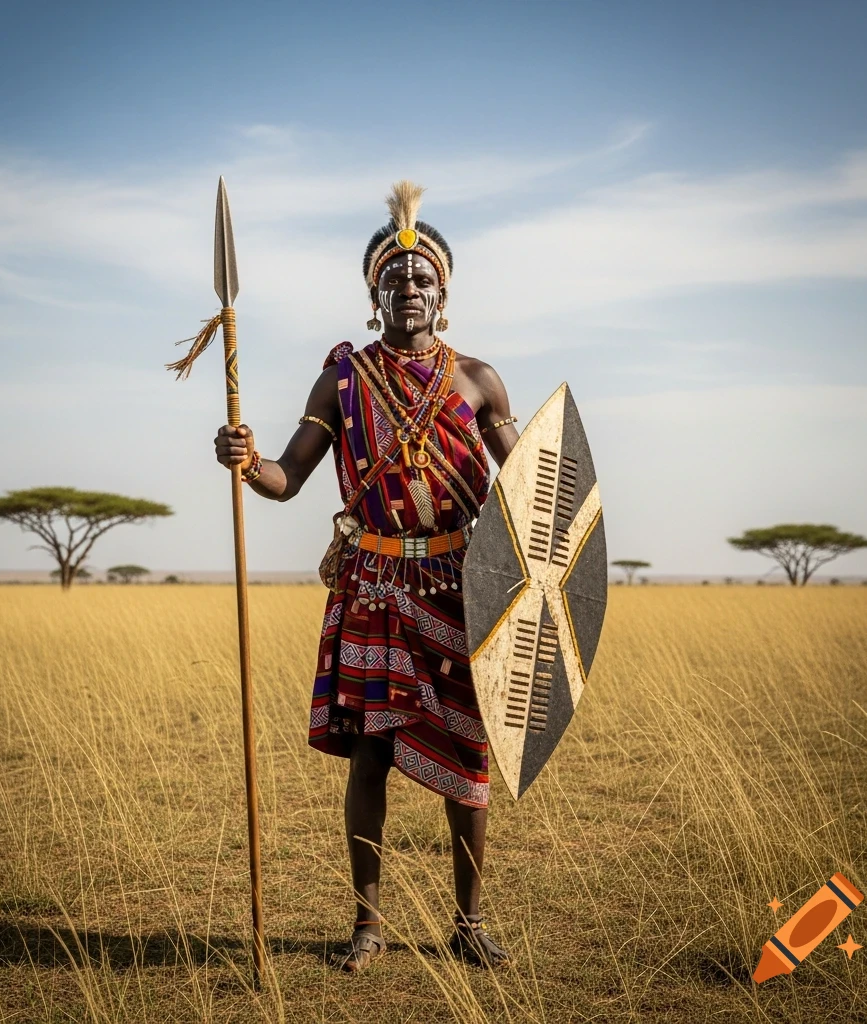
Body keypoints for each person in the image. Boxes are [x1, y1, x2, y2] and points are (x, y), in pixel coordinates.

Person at [214, 181, 520, 972]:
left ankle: (469, 921)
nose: (409, 289)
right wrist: (249, 464)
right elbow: (288, 476)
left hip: (460, 588)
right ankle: (367, 925)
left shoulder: (479, 381)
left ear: (443, 293)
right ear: (374, 292)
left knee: (470, 756)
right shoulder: (342, 381)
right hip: (374, 590)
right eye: (395, 278)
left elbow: (535, 486)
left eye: (423, 279)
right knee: (372, 757)